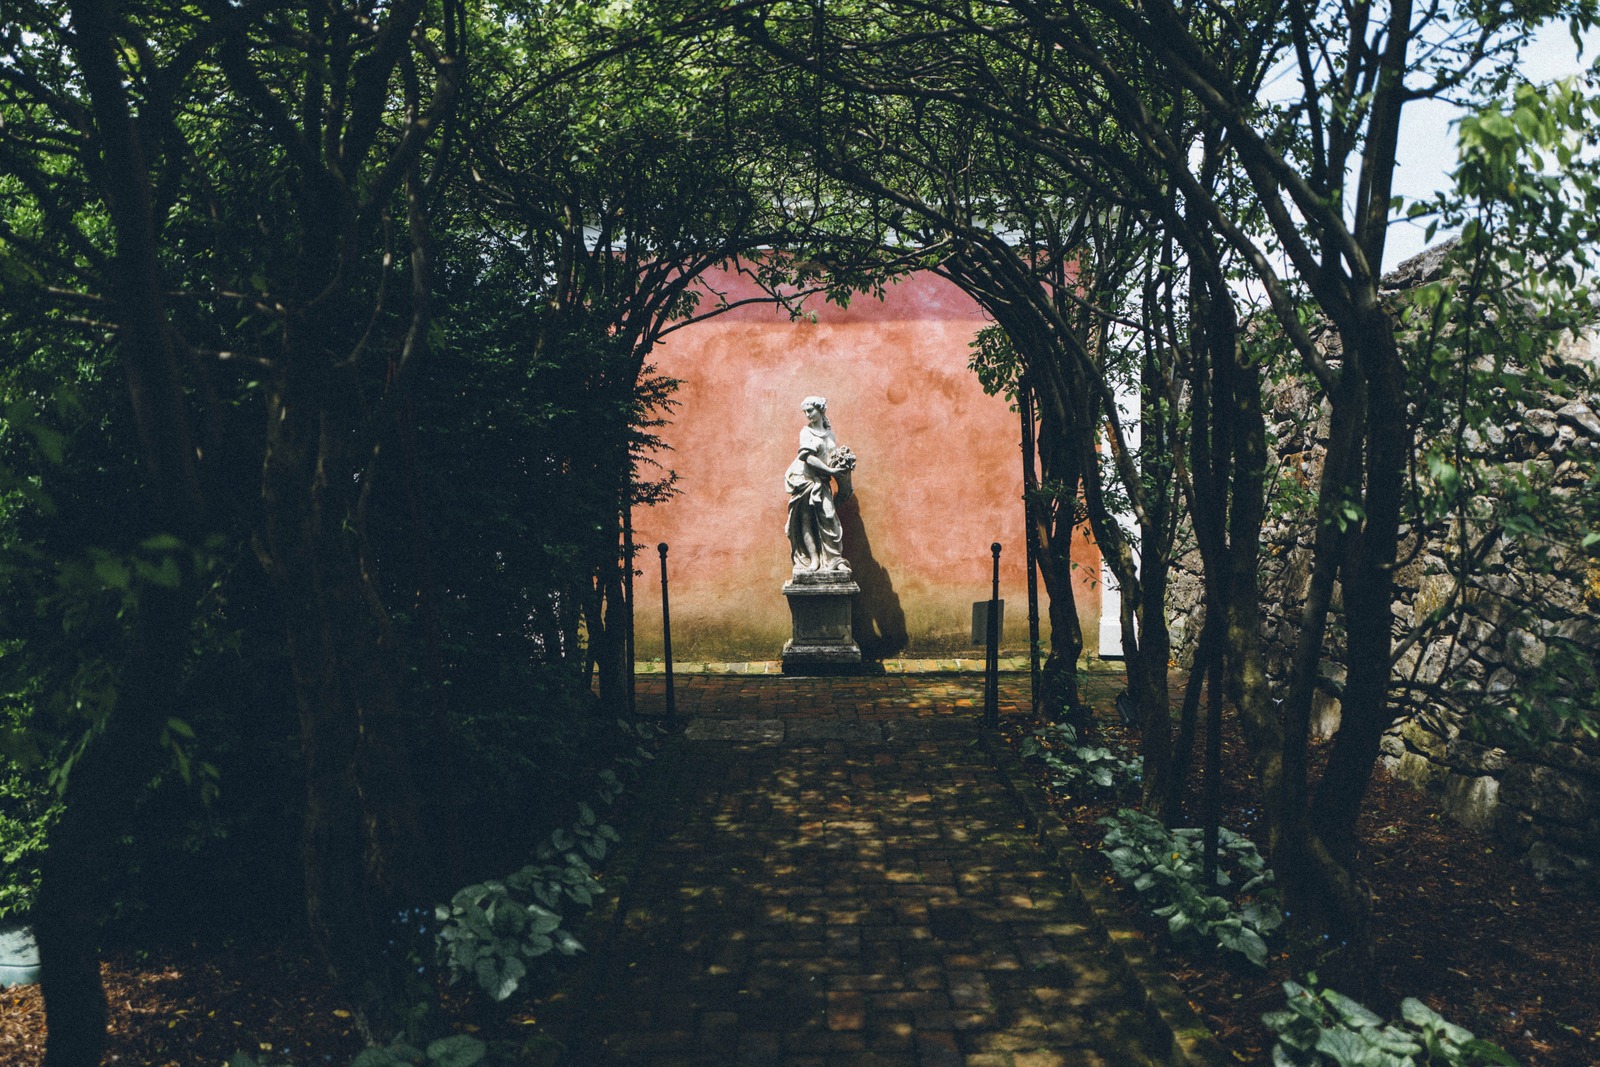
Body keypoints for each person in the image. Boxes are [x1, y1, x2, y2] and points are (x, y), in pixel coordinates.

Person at [784, 396, 855, 575]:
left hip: (822, 482)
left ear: (820, 409)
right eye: (805, 412)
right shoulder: (806, 433)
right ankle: (814, 559)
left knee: (829, 517)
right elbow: (808, 458)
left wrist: (841, 466)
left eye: (810, 410)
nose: (808, 415)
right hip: (805, 480)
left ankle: (833, 560)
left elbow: (831, 457)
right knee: (806, 520)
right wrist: (831, 472)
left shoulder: (830, 434)